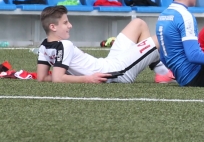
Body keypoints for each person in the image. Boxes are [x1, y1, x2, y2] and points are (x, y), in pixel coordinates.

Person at [35, 5, 163, 84]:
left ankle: (160, 72)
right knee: (162, 36)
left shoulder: (43, 46)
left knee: (138, 23)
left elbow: (42, 77)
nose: (70, 25)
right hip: (116, 72)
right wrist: (88, 78)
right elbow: (57, 79)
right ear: (53, 27)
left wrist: (71, 75)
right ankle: (163, 72)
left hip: (109, 62)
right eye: (65, 23)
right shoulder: (64, 45)